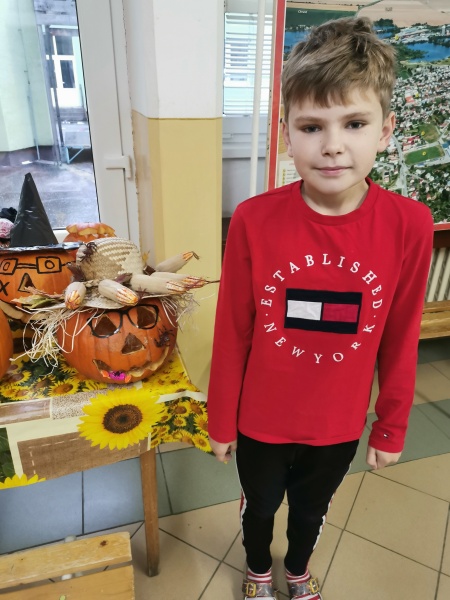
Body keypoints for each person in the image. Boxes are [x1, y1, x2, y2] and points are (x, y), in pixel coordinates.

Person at [207, 16, 434, 600]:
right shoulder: (254, 219)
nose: (332, 145)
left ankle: (298, 570)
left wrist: (391, 424)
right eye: (312, 126)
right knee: (260, 507)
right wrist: (220, 417)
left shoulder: (409, 224)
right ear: (287, 133)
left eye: (354, 123)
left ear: (385, 130)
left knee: (311, 510)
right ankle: (258, 569)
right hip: (260, 419)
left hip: (336, 423)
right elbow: (233, 331)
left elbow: (401, 335)